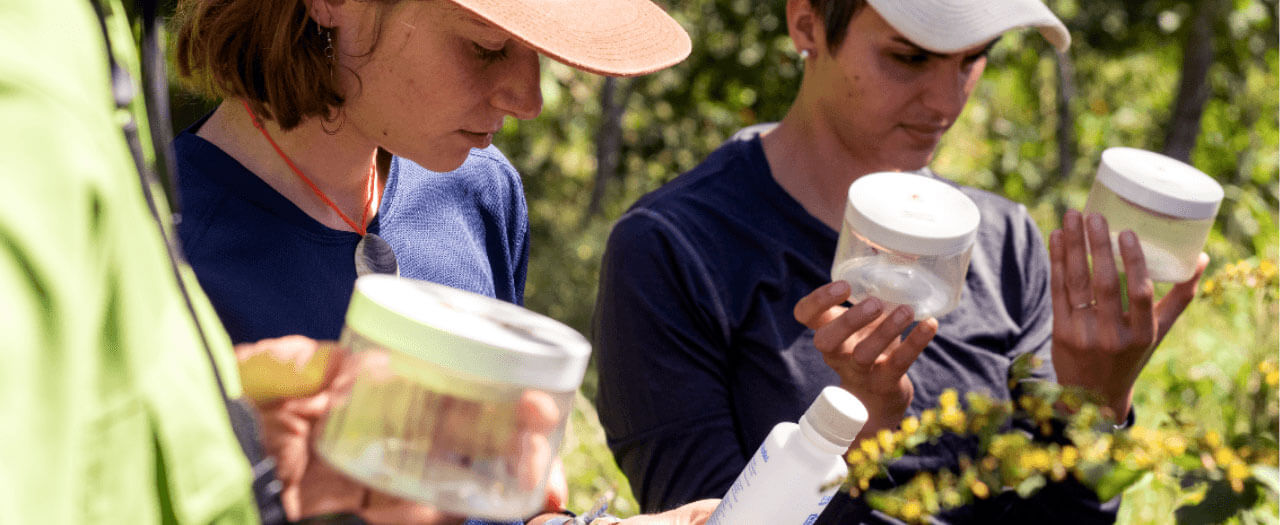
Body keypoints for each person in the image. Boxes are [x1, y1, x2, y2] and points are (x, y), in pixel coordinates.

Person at [592, 0, 1207, 523]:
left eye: (973, 57)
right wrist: (854, 436)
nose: (945, 99)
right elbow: (704, 514)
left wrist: (1096, 405)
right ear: (807, 23)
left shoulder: (1006, 243)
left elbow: (1060, 511)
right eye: (909, 57)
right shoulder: (674, 249)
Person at [169, 0, 717, 523]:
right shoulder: (167, 250)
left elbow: (495, 500)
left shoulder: (480, 190)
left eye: (539, 51)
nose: (529, 100)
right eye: (487, 46)